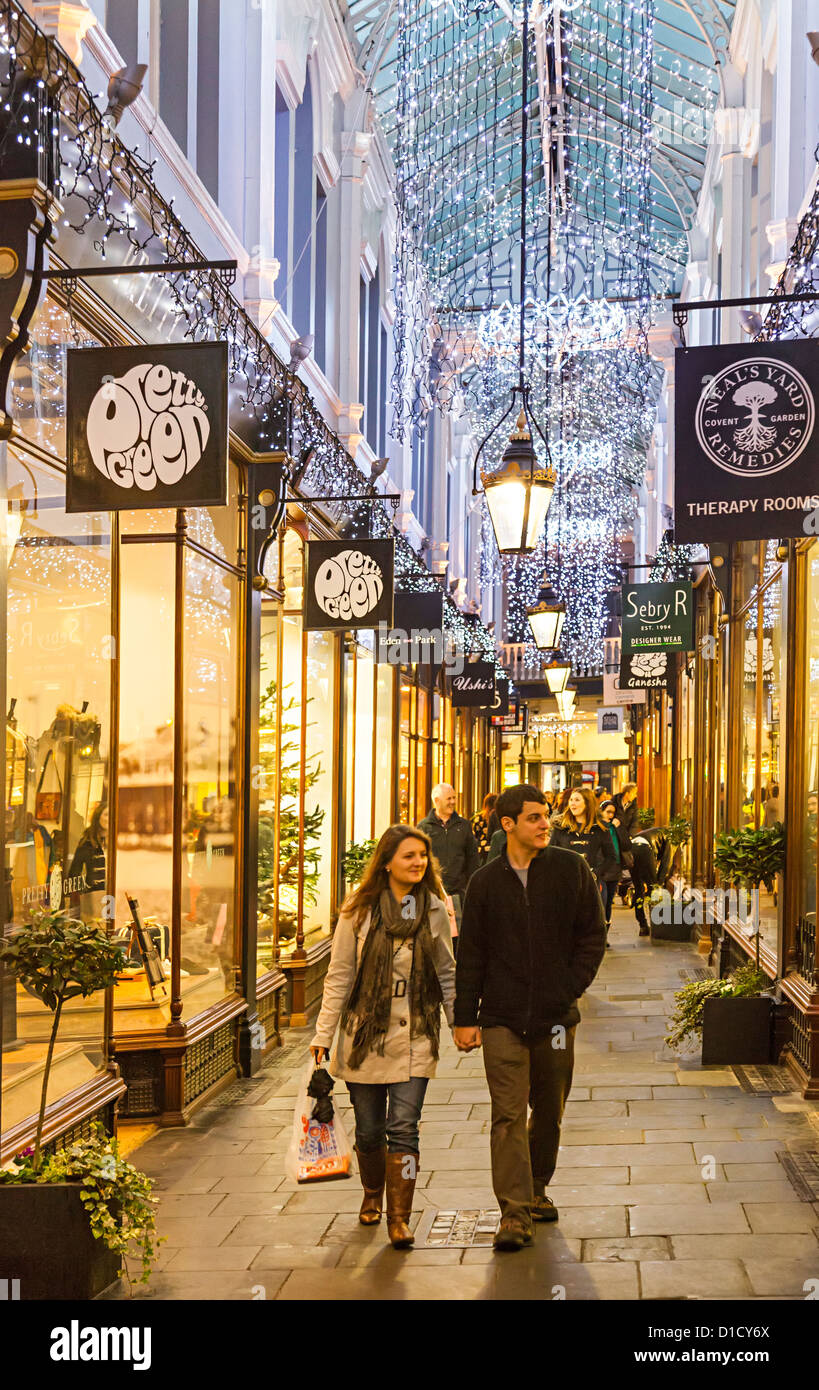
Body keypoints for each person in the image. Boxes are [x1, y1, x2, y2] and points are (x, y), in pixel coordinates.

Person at [454, 784, 606, 1252]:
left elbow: (592, 936)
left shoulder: (570, 869)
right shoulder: (484, 883)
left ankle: (537, 1186)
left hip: (557, 1018)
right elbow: (471, 955)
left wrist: (568, 988)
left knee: (550, 1109)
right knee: (507, 1114)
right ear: (509, 825)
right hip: (501, 1016)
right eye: (536, 818)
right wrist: (465, 1017)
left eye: (547, 817)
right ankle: (514, 1213)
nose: (546, 825)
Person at [310, 825, 455, 1249]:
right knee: (370, 1130)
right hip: (363, 1035)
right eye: (409, 855)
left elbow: (447, 971)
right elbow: (339, 976)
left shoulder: (433, 908)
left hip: (416, 1030)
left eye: (423, 856)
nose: (418, 863)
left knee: (404, 1129)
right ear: (387, 861)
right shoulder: (359, 910)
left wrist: (460, 1021)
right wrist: (322, 1033)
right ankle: (373, 1190)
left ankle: (400, 1216)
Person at [418, 783, 481, 942]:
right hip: (432, 892)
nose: (453, 801)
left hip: (458, 894)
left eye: (454, 798)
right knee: (433, 937)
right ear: (437, 800)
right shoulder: (423, 827)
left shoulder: (464, 826)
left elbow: (472, 858)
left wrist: (469, 886)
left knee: (457, 939)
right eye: (449, 798)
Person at [549, 787, 618, 887]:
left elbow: (611, 857)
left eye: (577, 800)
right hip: (564, 884)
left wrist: (595, 873)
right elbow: (550, 855)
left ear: (587, 803)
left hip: (590, 884)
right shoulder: (560, 827)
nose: (572, 803)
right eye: (571, 800)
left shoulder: (600, 828)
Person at [598, 799, 631, 942]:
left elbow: (626, 845)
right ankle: (599, 935)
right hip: (602, 870)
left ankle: (604, 936)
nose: (610, 816)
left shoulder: (615, 826)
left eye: (613, 813)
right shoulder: (597, 827)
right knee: (602, 901)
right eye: (608, 812)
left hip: (615, 868)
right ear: (601, 812)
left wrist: (619, 828)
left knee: (609, 900)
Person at [471, 793, 498, 865]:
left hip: (481, 850)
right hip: (494, 849)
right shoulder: (499, 816)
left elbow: (473, 835)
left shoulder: (478, 818)